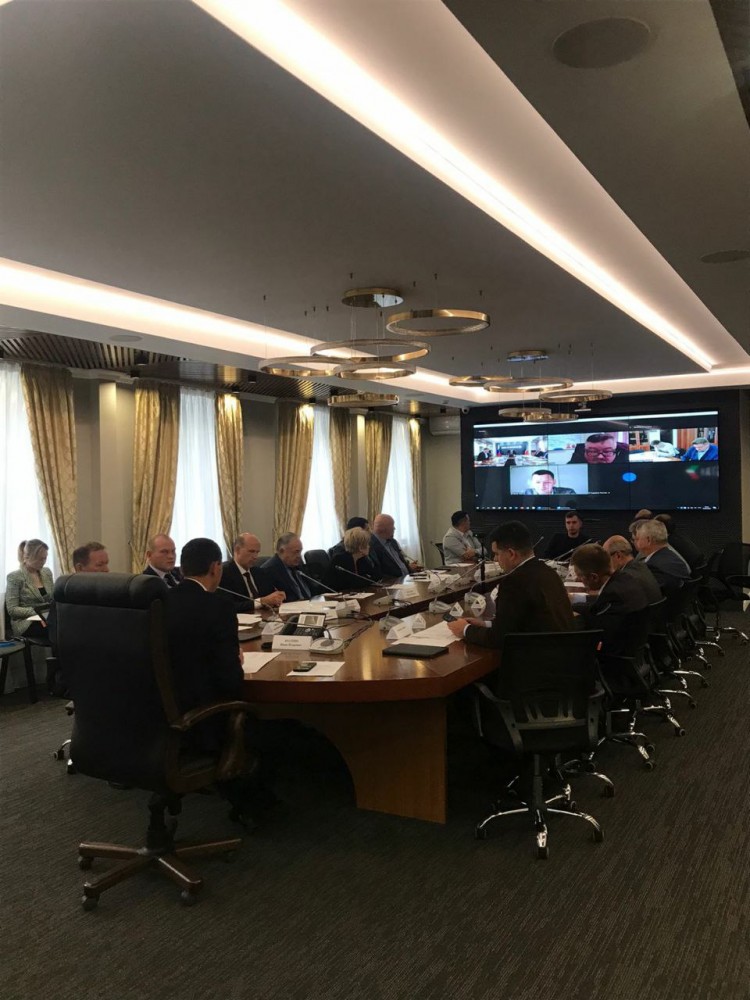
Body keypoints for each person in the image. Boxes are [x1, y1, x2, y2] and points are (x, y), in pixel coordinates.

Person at [163, 538, 272, 820]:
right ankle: (254, 805)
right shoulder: (218, 606)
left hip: (161, 714)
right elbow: (230, 681)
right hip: (203, 719)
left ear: (182, 568)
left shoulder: (160, 601)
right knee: (264, 722)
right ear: (215, 567)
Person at [447, 520, 573, 649]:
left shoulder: (514, 583)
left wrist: (465, 630)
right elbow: (522, 622)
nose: (495, 559)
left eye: (497, 553)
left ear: (511, 554)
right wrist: (487, 624)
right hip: (561, 651)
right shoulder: (548, 572)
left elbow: (500, 639)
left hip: (536, 656)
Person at [570, 543, 650, 656]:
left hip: (613, 657)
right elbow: (597, 608)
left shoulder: (612, 595)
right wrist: (572, 606)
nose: (579, 580)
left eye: (580, 576)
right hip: (634, 650)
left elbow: (596, 621)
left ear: (594, 577)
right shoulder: (625, 578)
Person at [220, 533, 286, 610]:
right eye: (251, 551)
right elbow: (228, 607)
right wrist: (261, 602)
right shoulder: (224, 573)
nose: (255, 557)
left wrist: (277, 598)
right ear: (237, 550)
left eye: (257, 552)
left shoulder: (259, 572)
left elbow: (269, 596)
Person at [5, 539, 54, 639]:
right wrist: (37, 613)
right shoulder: (14, 577)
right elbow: (12, 609)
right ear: (26, 557)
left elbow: (52, 599)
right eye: (40, 559)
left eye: (45, 558)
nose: (43, 562)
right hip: (26, 622)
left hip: (47, 617)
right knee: (56, 629)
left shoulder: (47, 572)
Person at [633, 520, 691, 594]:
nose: (635, 542)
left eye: (637, 538)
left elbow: (649, 594)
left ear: (648, 540)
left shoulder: (653, 566)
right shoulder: (675, 558)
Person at [262, 533, 327, 599]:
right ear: (282, 551)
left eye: (300, 551)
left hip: (311, 602)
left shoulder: (297, 565)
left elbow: (313, 588)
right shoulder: (268, 570)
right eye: (296, 552)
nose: (299, 556)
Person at [602, 535, 662, 604]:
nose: (606, 562)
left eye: (606, 558)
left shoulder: (625, 578)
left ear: (618, 555)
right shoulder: (641, 566)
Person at [369, 514, 421, 578]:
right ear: (384, 529)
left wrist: (410, 569)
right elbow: (378, 573)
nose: (394, 528)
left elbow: (400, 563)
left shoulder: (393, 542)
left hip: (407, 578)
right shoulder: (370, 545)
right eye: (392, 526)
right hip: (392, 582)